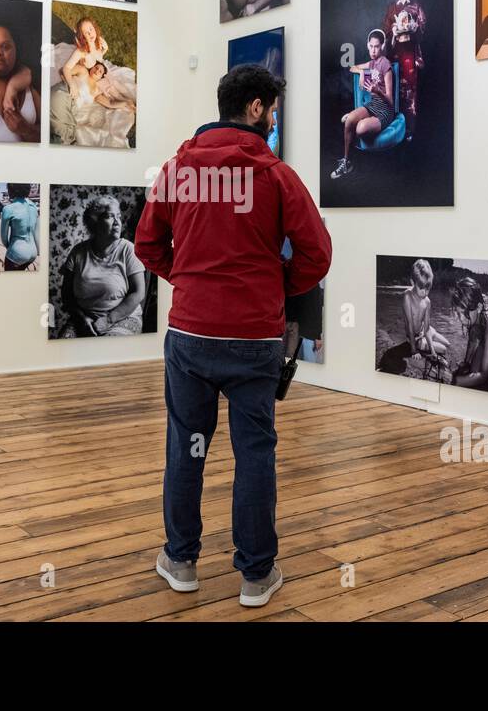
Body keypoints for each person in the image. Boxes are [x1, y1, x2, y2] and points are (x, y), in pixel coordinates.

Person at [136, 63, 332, 609]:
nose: (273, 120)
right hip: (254, 341)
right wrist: (273, 286)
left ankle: (180, 560)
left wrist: (191, 279)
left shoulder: (178, 169)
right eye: (272, 109)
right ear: (255, 107)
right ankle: (256, 576)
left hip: (191, 335)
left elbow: (147, 245)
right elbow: (317, 254)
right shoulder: (276, 175)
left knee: (188, 449)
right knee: (254, 455)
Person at [56, 195, 148, 338]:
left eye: (118, 216)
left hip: (123, 317)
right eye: (110, 217)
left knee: (109, 347)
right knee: (63, 345)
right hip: (84, 319)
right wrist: (82, 319)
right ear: (95, 223)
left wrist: (108, 320)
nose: (117, 222)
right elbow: (67, 296)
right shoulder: (78, 252)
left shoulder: (128, 249)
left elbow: (139, 292)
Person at [331, 29, 396, 180]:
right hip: (373, 105)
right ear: (368, 45)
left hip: (385, 110)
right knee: (349, 122)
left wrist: (377, 90)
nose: (374, 50)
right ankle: (346, 162)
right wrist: (361, 72)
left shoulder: (386, 66)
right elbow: (352, 67)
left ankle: (360, 120)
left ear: (382, 47)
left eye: (377, 47)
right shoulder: (372, 63)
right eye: (371, 46)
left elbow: (391, 101)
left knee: (360, 128)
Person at [381, 0, 425, 135]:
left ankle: (409, 129)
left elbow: (422, 28)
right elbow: (385, 30)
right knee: (392, 88)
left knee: (410, 91)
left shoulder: (416, 6)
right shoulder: (392, 8)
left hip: (409, 53)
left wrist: (414, 28)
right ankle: (393, 127)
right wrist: (392, 29)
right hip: (394, 53)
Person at [0, 184, 39, 271]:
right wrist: (37, 251)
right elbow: (36, 234)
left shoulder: (8, 209)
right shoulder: (33, 207)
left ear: (12, 190)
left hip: (17, 253)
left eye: (8, 188)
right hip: (33, 252)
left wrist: (10, 249)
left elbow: (4, 238)